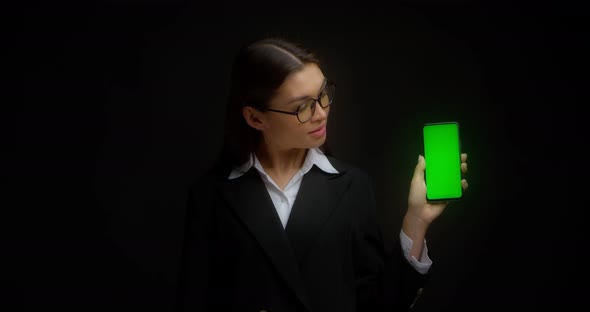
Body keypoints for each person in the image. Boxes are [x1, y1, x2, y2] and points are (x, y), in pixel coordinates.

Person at [175, 36, 469, 312]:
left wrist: (416, 220)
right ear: (255, 117)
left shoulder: (353, 187)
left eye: (323, 94)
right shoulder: (211, 196)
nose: (321, 113)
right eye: (303, 106)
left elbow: (380, 305)